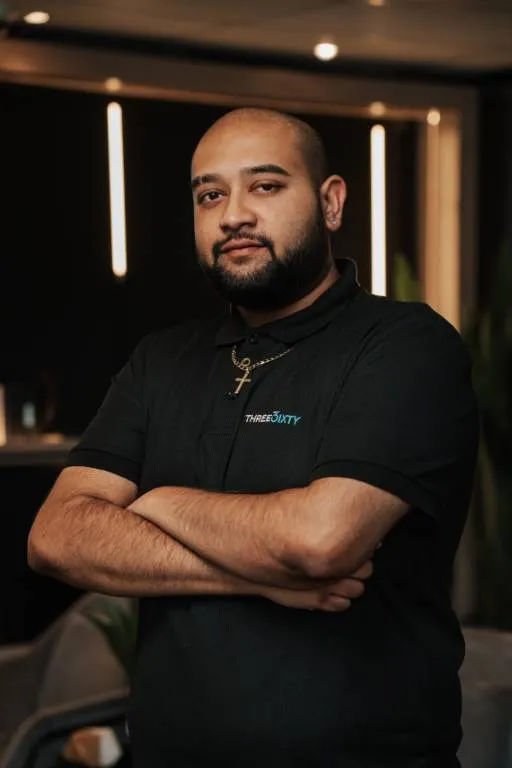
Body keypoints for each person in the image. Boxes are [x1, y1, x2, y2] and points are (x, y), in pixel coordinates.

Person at [28, 108, 479, 768]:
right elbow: (56, 537)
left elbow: (319, 541)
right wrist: (257, 579)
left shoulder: (405, 345)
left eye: (265, 186)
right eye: (210, 195)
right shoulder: (161, 361)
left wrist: (158, 502)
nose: (233, 214)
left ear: (330, 202)